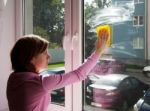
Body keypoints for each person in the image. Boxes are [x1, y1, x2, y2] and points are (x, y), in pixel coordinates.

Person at [6, 30, 108, 111]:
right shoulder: (40, 83)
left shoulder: (13, 78)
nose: (49, 56)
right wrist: (98, 51)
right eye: (44, 53)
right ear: (31, 58)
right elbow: (78, 74)